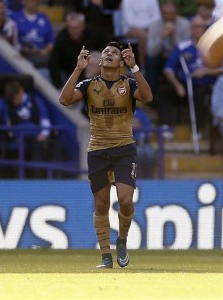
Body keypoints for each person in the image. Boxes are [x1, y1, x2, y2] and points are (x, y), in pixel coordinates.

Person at [59, 41, 152, 268]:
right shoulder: (89, 84)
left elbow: (148, 97)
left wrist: (136, 68)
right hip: (98, 151)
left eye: (115, 53)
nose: (109, 54)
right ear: (100, 61)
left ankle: (122, 240)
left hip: (124, 149)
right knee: (101, 205)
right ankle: (105, 256)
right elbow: (64, 100)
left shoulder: (129, 84)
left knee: (126, 201)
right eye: (106, 52)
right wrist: (78, 68)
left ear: (121, 62)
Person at [157, 15, 222, 138]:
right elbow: (168, 69)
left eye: (203, 27)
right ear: (191, 29)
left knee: (201, 93)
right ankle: (167, 126)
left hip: (204, 83)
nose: (200, 29)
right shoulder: (183, 46)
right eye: (197, 27)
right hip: (184, 83)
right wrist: (177, 85)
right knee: (165, 90)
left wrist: (206, 71)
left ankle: (197, 128)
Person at [0, 78, 52, 178]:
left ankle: (36, 179)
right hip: (14, 140)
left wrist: (44, 134)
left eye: (15, 97)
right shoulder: (4, 103)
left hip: (35, 139)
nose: (14, 101)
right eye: (11, 99)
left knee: (40, 145)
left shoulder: (35, 101)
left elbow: (45, 120)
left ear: (21, 91)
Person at [146, 0, 191, 97]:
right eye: (166, 14)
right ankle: (152, 99)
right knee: (151, 62)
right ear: (162, 13)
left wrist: (174, 36)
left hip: (179, 58)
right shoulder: (154, 25)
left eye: (171, 14)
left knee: (188, 62)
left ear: (176, 13)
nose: (169, 17)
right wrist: (162, 36)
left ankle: (185, 97)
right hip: (161, 56)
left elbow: (187, 50)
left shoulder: (185, 24)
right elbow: (150, 51)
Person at [49, 12, 105, 89]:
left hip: (91, 72)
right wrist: (58, 85)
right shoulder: (61, 38)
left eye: (77, 28)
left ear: (83, 26)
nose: (74, 31)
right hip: (69, 73)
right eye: (71, 28)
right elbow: (54, 62)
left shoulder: (94, 34)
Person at [11, 0, 54, 73]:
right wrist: (22, 50)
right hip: (21, 58)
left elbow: (51, 42)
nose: (35, 3)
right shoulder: (14, 17)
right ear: (24, 2)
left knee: (44, 73)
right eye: (32, 1)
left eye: (37, 1)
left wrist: (44, 51)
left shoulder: (44, 18)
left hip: (40, 59)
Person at [121, 0, 161, 74]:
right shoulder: (126, 1)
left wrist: (148, 27)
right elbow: (130, 21)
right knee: (143, 35)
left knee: (162, 32)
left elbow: (157, 17)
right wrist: (146, 27)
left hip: (150, 28)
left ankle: (157, 63)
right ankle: (143, 67)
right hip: (130, 29)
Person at [133, 105, 156, 179]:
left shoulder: (141, 113)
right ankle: (137, 179)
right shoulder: (122, 114)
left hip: (144, 142)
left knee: (150, 153)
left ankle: (148, 179)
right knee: (138, 153)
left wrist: (141, 127)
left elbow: (149, 130)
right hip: (129, 143)